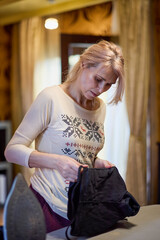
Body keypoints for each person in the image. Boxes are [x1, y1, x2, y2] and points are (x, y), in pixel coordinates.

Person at [4, 40, 125, 233]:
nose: (101, 89)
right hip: (46, 206)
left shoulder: (100, 109)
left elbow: (80, 154)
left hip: (84, 207)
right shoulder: (51, 98)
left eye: (109, 84)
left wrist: (97, 162)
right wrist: (58, 162)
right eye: (99, 79)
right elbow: (11, 151)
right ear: (84, 64)